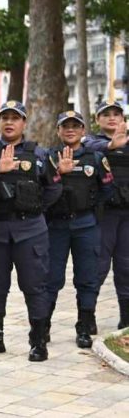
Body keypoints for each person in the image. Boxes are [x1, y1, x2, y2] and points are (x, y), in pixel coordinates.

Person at [0, 101, 62, 362]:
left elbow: (54, 188)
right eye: (5, 118)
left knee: (35, 286)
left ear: (24, 123)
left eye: (15, 118)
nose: (9, 122)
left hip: (30, 230)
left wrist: (33, 208)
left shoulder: (39, 154)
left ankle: (37, 341)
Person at [45, 111, 112, 348]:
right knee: (51, 279)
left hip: (86, 225)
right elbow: (42, 191)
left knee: (87, 278)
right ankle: (43, 328)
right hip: (57, 226)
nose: (70, 129)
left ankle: (84, 326)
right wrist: (57, 174)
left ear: (83, 131)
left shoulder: (94, 158)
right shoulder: (50, 158)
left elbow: (107, 190)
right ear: (58, 131)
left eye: (75, 126)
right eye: (65, 126)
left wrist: (94, 216)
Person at [84, 100, 129, 329]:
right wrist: (112, 145)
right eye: (106, 114)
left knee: (126, 268)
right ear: (97, 119)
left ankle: (126, 319)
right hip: (104, 216)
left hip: (126, 217)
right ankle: (88, 316)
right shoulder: (91, 142)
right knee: (98, 267)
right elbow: (88, 149)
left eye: (116, 114)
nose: (112, 117)